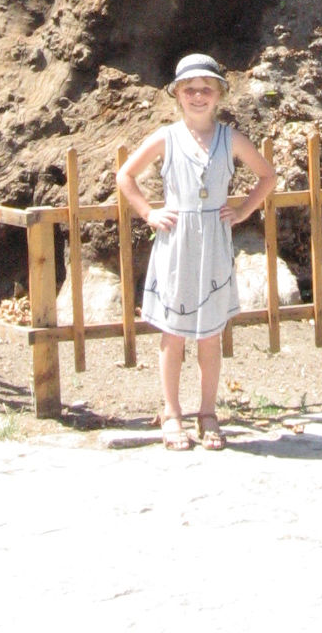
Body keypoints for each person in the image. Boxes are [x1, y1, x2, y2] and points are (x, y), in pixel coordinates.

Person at [116, 53, 276, 451]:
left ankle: (207, 413)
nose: (198, 96)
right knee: (173, 335)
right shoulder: (165, 138)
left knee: (210, 335)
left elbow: (267, 175)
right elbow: (126, 176)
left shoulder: (231, 138)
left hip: (214, 241)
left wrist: (242, 210)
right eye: (190, 89)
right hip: (177, 242)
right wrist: (148, 213)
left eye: (206, 88)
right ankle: (172, 414)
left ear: (219, 94)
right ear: (178, 96)